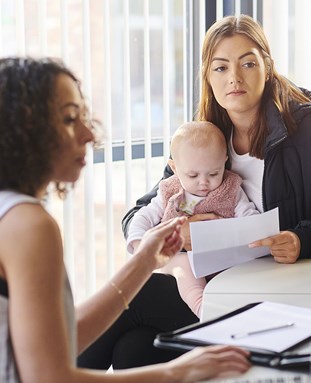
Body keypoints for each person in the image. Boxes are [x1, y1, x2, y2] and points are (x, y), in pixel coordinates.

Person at [78, 13, 311, 370]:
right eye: (220, 68)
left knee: (137, 297)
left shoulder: (304, 127)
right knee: (135, 349)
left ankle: (44, 372)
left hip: (277, 294)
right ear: (208, 76)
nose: (234, 77)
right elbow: (147, 206)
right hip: (218, 285)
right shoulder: (207, 135)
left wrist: (299, 239)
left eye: (247, 63)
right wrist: (171, 236)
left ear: (267, 65)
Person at [0, 57, 251, 383]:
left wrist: (146, 259)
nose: (90, 133)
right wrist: (180, 371)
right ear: (26, 132)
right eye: (69, 119)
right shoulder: (29, 226)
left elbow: (56, 340)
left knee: (135, 348)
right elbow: (49, 378)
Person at [126, 121, 258, 317]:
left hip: (220, 259)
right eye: (193, 175)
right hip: (180, 258)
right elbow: (142, 216)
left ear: (224, 161)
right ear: (175, 167)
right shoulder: (169, 190)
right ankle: (201, 307)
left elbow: (250, 219)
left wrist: (235, 232)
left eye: (214, 173)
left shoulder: (231, 189)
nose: (204, 182)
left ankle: (229, 308)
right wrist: (139, 245)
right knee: (184, 266)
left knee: (236, 274)